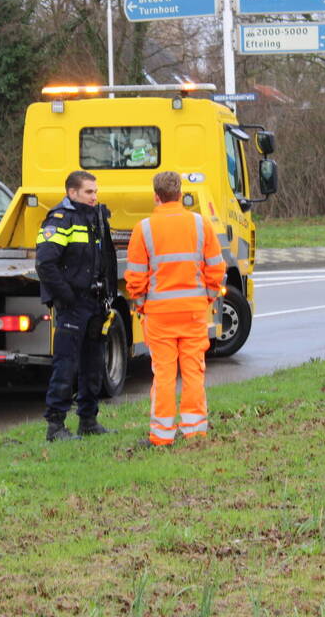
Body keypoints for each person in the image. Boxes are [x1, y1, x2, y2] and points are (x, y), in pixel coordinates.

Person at [125, 171, 227, 446]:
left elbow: (135, 276)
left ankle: (162, 436)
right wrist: (205, 297)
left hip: (158, 315)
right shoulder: (200, 224)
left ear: (156, 196)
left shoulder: (143, 228)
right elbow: (217, 267)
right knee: (193, 370)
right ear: (180, 194)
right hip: (193, 311)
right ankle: (194, 431)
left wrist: (141, 303)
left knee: (164, 374)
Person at [35, 170, 118, 442]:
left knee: (93, 364)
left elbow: (104, 258)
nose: (95, 196)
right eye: (89, 192)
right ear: (72, 193)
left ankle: (88, 421)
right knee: (66, 365)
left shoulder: (96, 217)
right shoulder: (60, 219)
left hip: (95, 302)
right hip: (73, 304)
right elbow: (45, 263)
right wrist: (66, 297)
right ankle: (56, 426)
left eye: (96, 191)